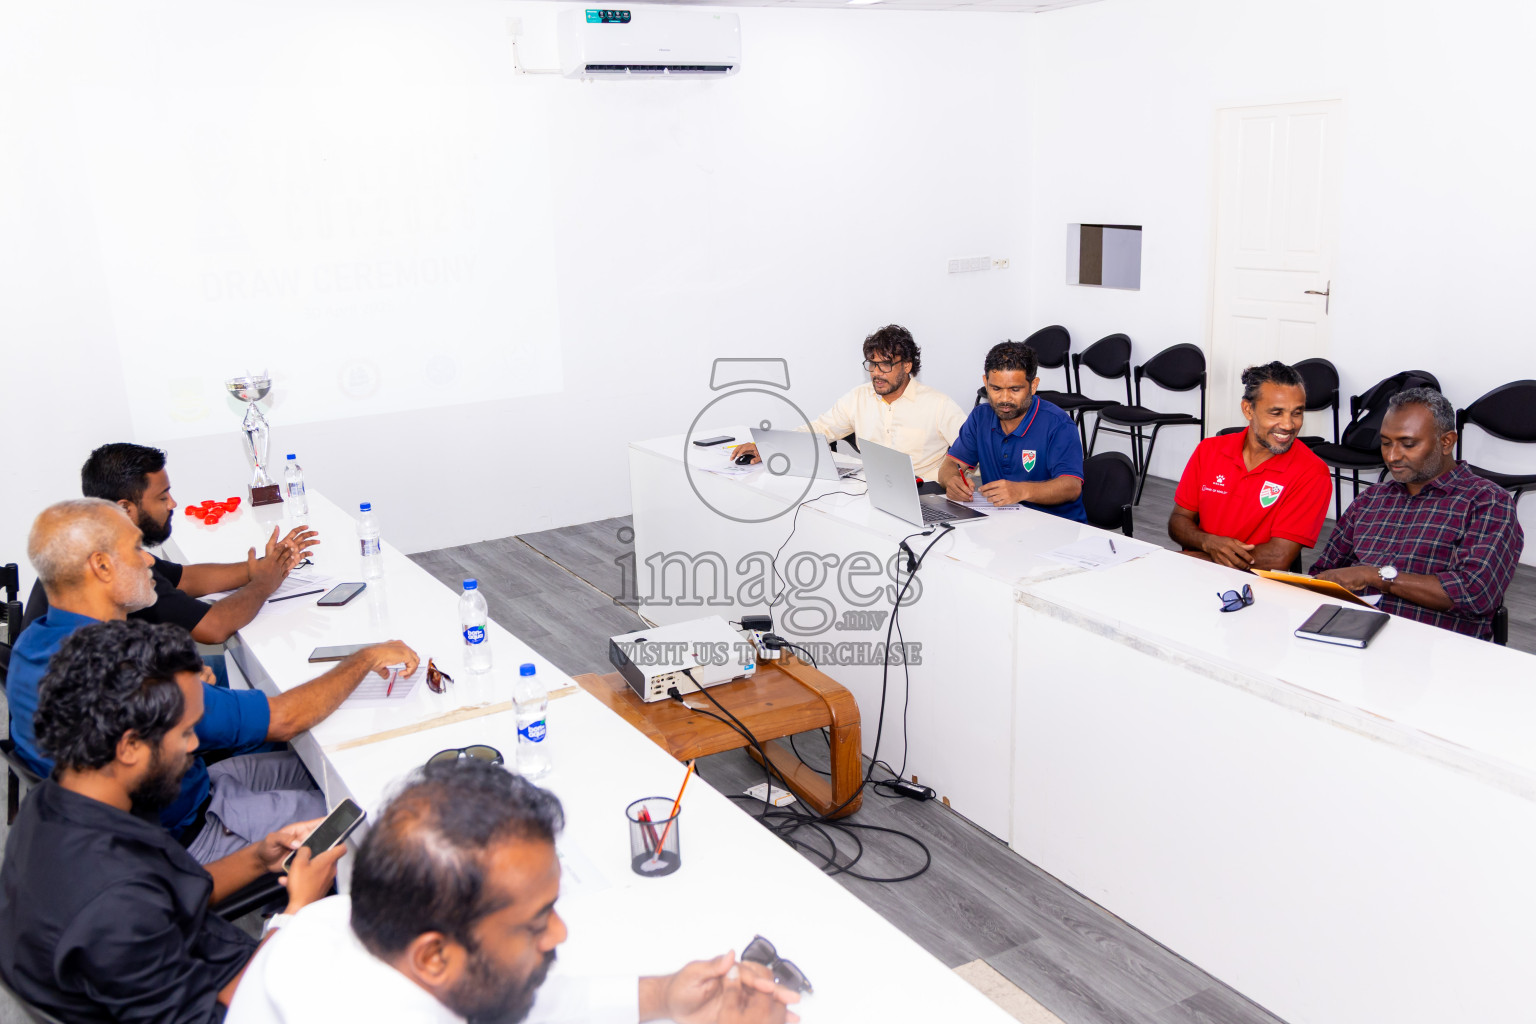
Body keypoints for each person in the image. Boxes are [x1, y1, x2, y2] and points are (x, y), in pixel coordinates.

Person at [228, 759, 800, 1024]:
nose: (561, 931)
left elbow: (509, 1002)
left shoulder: (333, 923)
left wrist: (664, 996)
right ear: (432, 953)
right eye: (536, 921)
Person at [7, 498, 418, 863]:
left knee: (340, 770)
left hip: (191, 789)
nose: (150, 560)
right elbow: (284, 719)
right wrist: (365, 658)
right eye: (136, 549)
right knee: (370, 811)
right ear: (101, 565)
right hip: (188, 834)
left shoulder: (33, 644)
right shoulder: (128, 678)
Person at [0, 619, 345, 1023]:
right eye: (184, 733)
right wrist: (296, 913)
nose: (195, 744)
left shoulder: (60, 802)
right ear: (130, 745)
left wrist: (257, 857)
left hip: (207, 967)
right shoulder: (112, 905)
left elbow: (170, 894)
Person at [21, 441, 320, 645]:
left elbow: (186, 577)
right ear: (125, 508)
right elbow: (214, 628)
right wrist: (264, 584)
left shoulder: (88, 540)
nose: (173, 503)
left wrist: (262, 568)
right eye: (162, 497)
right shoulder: (116, 569)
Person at [1311, 387, 1523, 640]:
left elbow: (1474, 594)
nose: (1392, 456)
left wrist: (1374, 576)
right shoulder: (1371, 499)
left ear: (1446, 442)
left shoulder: (1487, 502)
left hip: (1437, 648)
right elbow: (1323, 573)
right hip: (1353, 635)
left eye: (1408, 444)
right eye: (1386, 443)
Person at [735, 324, 966, 483]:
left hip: (923, 494)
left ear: (906, 366)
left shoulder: (938, 405)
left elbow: (973, 451)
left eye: (885, 365)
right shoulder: (859, 397)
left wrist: (958, 478)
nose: (876, 373)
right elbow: (821, 430)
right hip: (869, 492)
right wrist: (770, 446)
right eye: (872, 364)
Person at [1168, 361, 1332, 571]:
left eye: (1297, 413)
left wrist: (1202, 559)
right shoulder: (1209, 450)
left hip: (1258, 587)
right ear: (1248, 409)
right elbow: (1179, 520)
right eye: (1276, 413)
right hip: (1197, 574)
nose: (1289, 425)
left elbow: (1278, 557)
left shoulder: (1312, 472)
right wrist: (1207, 542)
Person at [938, 341, 1087, 521]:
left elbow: (1071, 486)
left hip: (1056, 528)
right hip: (1000, 524)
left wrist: (1021, 490)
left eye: (1015, 389)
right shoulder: (980, 417)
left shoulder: (1058, 424)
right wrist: (951, 481)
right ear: (986, 382)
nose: (1005, 399)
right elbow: (951, 464)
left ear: (1033, 386)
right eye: (996, 389)